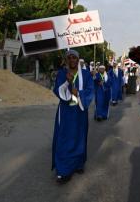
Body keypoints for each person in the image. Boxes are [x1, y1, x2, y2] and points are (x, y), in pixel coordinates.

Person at [52, 49, 94, 184]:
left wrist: (79, 93)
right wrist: (66, 83)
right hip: (65, 111)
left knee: (79, 137)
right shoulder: (62, 74)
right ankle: (63, 171)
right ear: (66, 60)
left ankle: (77, 164)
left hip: (79, 111)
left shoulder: (86, 75)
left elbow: (90, 90)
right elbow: (57, 90)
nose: (71, 60)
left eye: (74, 58)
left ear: (78, 59)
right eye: (69, 58)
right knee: (64, 138)